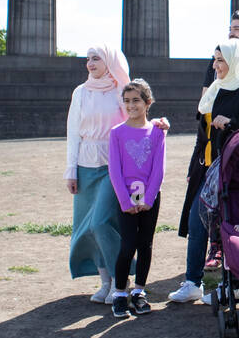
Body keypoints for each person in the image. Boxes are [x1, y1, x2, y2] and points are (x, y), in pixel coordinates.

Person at [170, 38, 239, 303]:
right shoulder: (214, 90)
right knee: (196, 222)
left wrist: (232, 123)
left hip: (237, 173)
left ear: (237, 61)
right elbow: (202, 135)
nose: (215, 66)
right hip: (207, 170)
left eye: (220, 60)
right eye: (214, 60)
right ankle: (193, 282)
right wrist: (194, 165)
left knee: (231, 227)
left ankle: (232, 286)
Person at [66, 45, 135, 303]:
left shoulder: (121, 91)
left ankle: (122, 278)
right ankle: (105, 282)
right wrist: (71, 171)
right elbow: (73, 133)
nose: (90, 63)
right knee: (87, 228)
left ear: (109, 61)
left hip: (113, 165)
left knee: (101, 222)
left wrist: (157, 128)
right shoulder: (80, 92)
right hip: (85, 166)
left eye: (96, 58)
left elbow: (135, 121)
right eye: (88, 59)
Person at [107, 79, 166, 318]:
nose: (131, 105)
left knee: (145, 245)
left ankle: (139, 292)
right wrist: (125, 201)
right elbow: (115, 170)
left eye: (136, 101)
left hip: (150, 199)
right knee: (127, 245)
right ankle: (120, 293)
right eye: (127, 101)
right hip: (126, 199)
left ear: (147, 103)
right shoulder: (116, 134)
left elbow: (158, 169)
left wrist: (149, 198)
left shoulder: (157, 133)